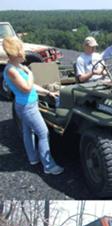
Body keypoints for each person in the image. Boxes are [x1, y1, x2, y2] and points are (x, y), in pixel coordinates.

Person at [3, 36, 64, 175]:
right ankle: (49, 166)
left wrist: (47, 91)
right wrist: (30, 74)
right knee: (43, 133)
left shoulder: (16, 67)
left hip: (25, 105)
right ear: (16, 53)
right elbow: (26, 87)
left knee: (28, 131)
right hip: (27, 107)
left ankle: (33, 159)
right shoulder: (11, 70)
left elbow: (31, 87)